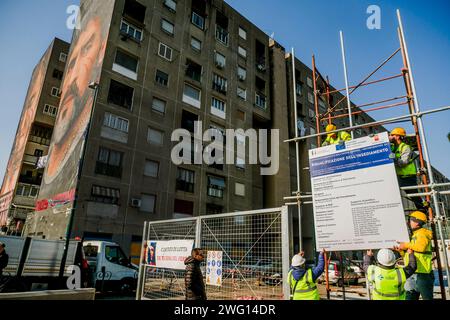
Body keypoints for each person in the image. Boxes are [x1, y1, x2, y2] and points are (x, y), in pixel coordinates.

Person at [395, 211, 434, 300]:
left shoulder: (422, 233)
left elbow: (421, 248)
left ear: (417, 222)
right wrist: (401, 252)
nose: (408, 222)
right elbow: (412, 252)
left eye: (410, 220)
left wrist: (405, 245)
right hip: (413, 271)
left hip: (422, 272)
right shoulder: (415, 235)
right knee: (410, 296)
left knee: (426, 297)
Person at [389, 127, 426, 211]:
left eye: (392, 135)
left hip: (407, 176)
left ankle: (423, 210)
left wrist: (393, 157)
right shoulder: (392, 147)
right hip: (398, 176)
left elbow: (403, 162)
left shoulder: (405, 147)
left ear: (398, 136)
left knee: (413, 196)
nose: (390, 136)